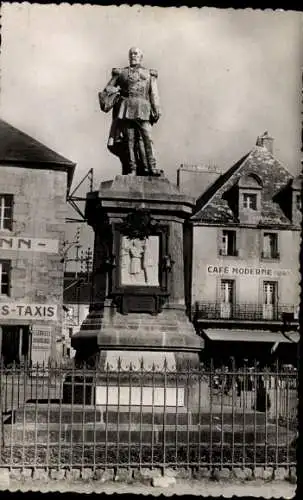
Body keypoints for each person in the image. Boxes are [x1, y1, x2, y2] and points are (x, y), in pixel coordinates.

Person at [99, 47, 161, 176]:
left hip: (143, 108)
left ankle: (152, 166)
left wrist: (157, 110)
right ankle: (132, 169)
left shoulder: (149, 74)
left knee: (147, 138)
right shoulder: (121, 73)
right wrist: (117, 91)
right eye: (131, 53)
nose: (133, 55)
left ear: (141, 56)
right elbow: (108, 89)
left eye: (136, 53)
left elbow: (154, 94)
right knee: (130, 140)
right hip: (127, 109)